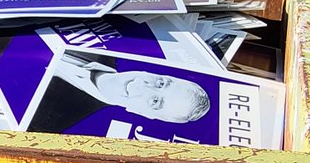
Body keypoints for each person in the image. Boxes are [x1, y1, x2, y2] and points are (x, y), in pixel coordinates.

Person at [28, 50, 211, 133]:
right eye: (161, 83)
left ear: (143, 114)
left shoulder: (49, 122)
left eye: (154, 101)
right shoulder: (103, 45)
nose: (141, 85)